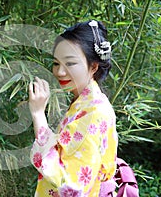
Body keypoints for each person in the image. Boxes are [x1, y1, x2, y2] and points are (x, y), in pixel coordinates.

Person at [28, 20, 118, 196]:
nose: (60, 72)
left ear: (93, 66)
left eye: (70, 63)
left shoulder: (94, 113)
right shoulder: (85, 102)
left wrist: (38, 114)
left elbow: (71, 184)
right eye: (56, 63)